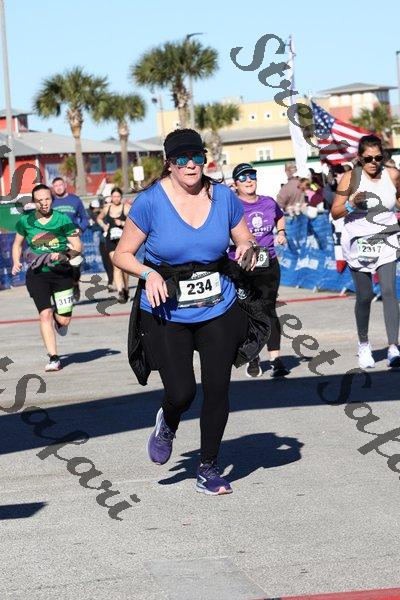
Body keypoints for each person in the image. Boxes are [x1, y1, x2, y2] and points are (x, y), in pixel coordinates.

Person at [113, 128, 259, 495]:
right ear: (169, 163)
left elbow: (244, 238)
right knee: (181, 393)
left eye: (197, 157)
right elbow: (122, 254)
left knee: (217, 388)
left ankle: (208, 467)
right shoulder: (150, 202)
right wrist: (148, 274)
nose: (191, 165)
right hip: (166, 309)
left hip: (218, 305)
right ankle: (168, 421)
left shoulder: (224, 197)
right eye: (182, 159)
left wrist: (248, 249)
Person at [332, 134, 400, 369]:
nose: (373, 162)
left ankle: (393, 347)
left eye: (378, 158)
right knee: (365, 295)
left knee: (389, 291)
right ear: (360, 158)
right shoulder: (351, 178)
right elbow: (335, 212)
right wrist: (351, 204)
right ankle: (363, 344)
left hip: (387, 239)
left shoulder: (393, 175)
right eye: (368, 158)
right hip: (359, 241)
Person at [11, 184, 82, 372]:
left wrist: (64, 255)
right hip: (37, 275)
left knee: (64, 321)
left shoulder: (63, 219)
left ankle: (60, 321)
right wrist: (16, 262)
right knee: (45, 314)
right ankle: (54, 357)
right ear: (34, 202)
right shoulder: (25, 221)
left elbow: (77, 245)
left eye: (47, 199)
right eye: (39, 200)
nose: (44, 203)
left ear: (52, 199)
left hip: (61, 274)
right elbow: (17, 244)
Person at [230, 163, 289, 378]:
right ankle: (252, 356)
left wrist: (281, 232)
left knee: (268, 309)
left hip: (268, 264)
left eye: (251, 175)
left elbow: (279, 216)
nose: (248, 180)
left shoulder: (268, 202)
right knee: (248, 312)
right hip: (242, 266)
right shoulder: (232, 206)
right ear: (235, 184)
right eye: (242, 177)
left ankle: (276, 359)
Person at [51, 177, 88, 302]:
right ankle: (65, 292)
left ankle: (75, 283)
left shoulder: (75, 200)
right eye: (56, 186)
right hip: (57, 240)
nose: (58, 187)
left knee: (75, 266)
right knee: (61, 266)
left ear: (65, 185)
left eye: (60, 185)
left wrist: (80, 229)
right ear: (53, 188)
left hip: (73, 239)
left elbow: (85, 218)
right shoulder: (51, 201)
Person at [97, 187, 130, 303]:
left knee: (125, 268)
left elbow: (134, 221)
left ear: (121, 197)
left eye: (118, 196)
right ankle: (120, 292)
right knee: (116, 265)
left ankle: (126, 289)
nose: (116, 199)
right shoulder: (107, 208)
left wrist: (122, 223)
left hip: (123, 241)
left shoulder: (126, 208)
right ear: (111, 197)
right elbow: (99, 218)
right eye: (114, 196)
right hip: (111, 240)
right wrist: (104, 226)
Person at [88, 198, 114, 290]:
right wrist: (103, 226)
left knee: (115, 262)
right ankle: (110, 281)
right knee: (106, 261)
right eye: (106, 202)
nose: (108, 204)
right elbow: (95, 223)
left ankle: (120, 285)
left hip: (116, 240)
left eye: (110, 202)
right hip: (104, 240)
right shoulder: (100, 214)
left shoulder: (119, 211)